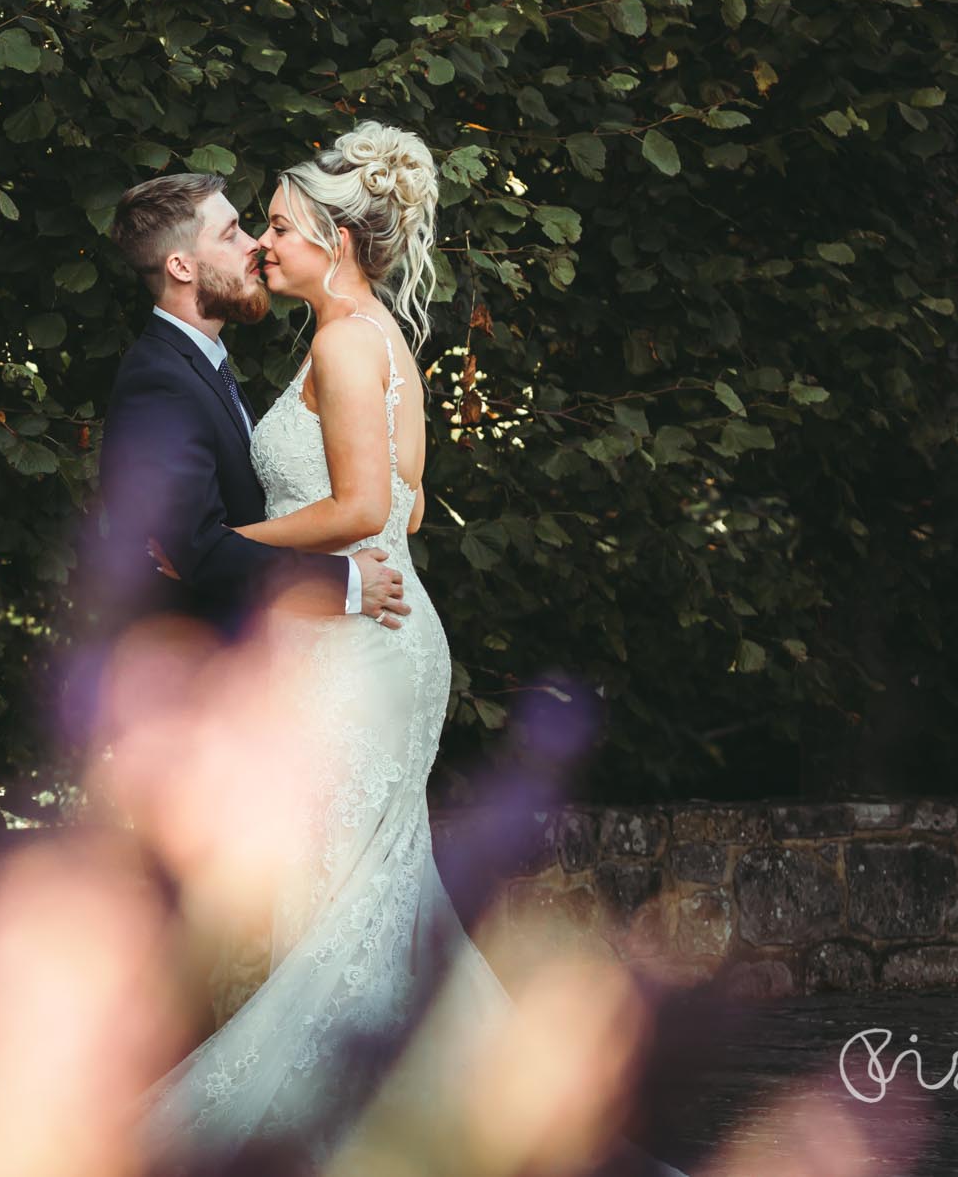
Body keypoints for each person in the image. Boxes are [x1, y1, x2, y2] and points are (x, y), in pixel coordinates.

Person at [137, 122, 689, 1177]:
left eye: (282, 228)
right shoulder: (373, 334)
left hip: (361, 652)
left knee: (343, 904)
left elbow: (362, 501)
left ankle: (354, 1130)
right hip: (384, 632)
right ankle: (438, 1119)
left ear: (336, 240)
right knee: (370, 896)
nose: (263, 243)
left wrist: (219, 546)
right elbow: (413, 501)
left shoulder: (346, 342)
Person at [85, 170, 410, 642]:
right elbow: (195, 551)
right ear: (181, 267)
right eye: (229, 233)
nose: (253, 244)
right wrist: (349, 582)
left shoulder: (204, 366)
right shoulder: (158, 381)